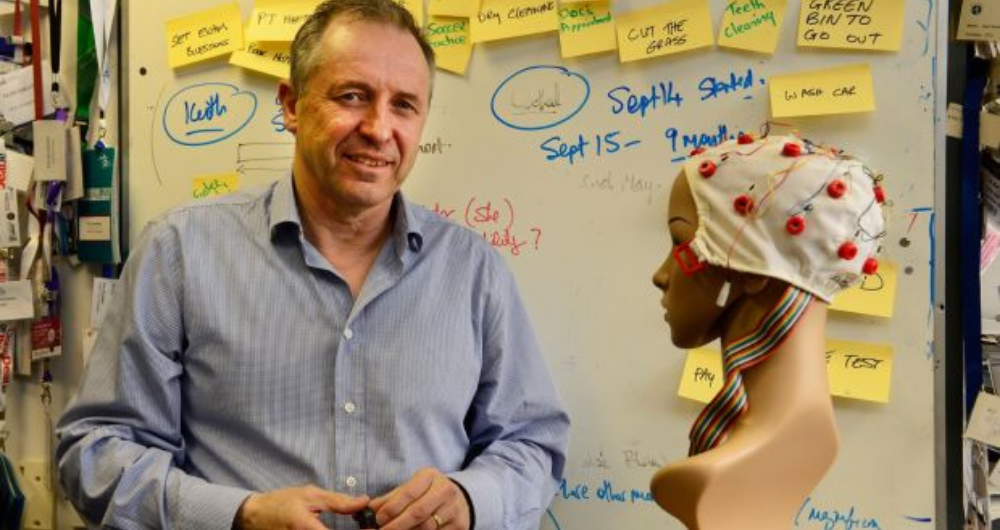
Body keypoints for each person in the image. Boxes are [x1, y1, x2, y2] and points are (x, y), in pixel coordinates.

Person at [55, 1, 570, 529]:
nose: (378, 128)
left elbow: (532, 443)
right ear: (292, 104)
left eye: (404, 106)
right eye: (353, 96)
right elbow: (95, 453)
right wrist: (240, 516)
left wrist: (470, 498)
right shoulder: (180, 251)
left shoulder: (472, 270)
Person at [649, 131, 886, 529]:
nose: (661, 276)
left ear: (753, 268)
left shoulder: (705, 473)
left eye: (680, 241)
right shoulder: (808, 437)